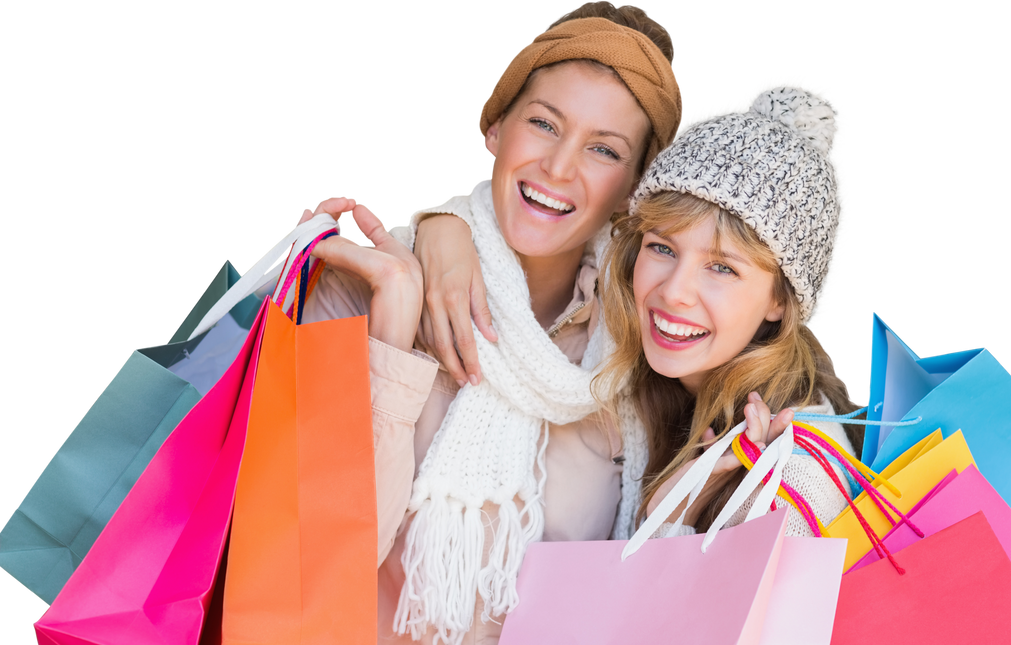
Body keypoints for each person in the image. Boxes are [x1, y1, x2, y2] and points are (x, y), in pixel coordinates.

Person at [296, 3, 684, 643]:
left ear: (636, 189)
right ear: (495, 128)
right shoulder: (365, 287)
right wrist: (392, 338)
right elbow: (314, 559)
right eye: (543, 123)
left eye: (603, 150)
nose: (559, 168)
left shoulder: (641, 349)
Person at [593, 78, 864, 538]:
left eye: (721, 267)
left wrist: (667, 517)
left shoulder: (799, 476)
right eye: (662, 248)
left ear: (780, 300)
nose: (674, 291)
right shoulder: (661, 389)